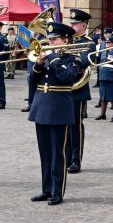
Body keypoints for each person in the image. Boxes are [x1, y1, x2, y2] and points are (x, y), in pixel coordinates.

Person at [28, 21, 82, 205]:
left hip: (59, 109)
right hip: (41, 106)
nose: (50, 42)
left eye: (54, 39)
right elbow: (31, 81)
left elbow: (66, 78)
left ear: (65, 40)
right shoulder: (47, 57)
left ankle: (57, 191)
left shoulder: (73, 59)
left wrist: (53, 59)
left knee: (58, 152)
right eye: (49, 39)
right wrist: (38, 65)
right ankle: (46, 189)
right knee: (44, 152)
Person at [67, 9, 95, 173]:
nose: (72, 25)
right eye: (71, 23)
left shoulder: (88, 42)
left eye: (75, 23)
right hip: (62, 85)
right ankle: (65, 156)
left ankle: (76, 160)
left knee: (75, 125)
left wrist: (69, 58)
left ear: (84, 25)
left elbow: (85, 61)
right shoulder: (66, 39)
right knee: (63, 124)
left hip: (77, 86)